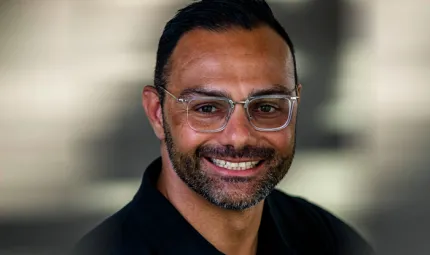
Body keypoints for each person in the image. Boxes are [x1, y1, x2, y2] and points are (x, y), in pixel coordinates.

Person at [73, 0, 374, 254]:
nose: (240, 136)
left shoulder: (327, 240)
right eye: (207, 108)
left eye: (266, 107)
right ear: (156, 113)